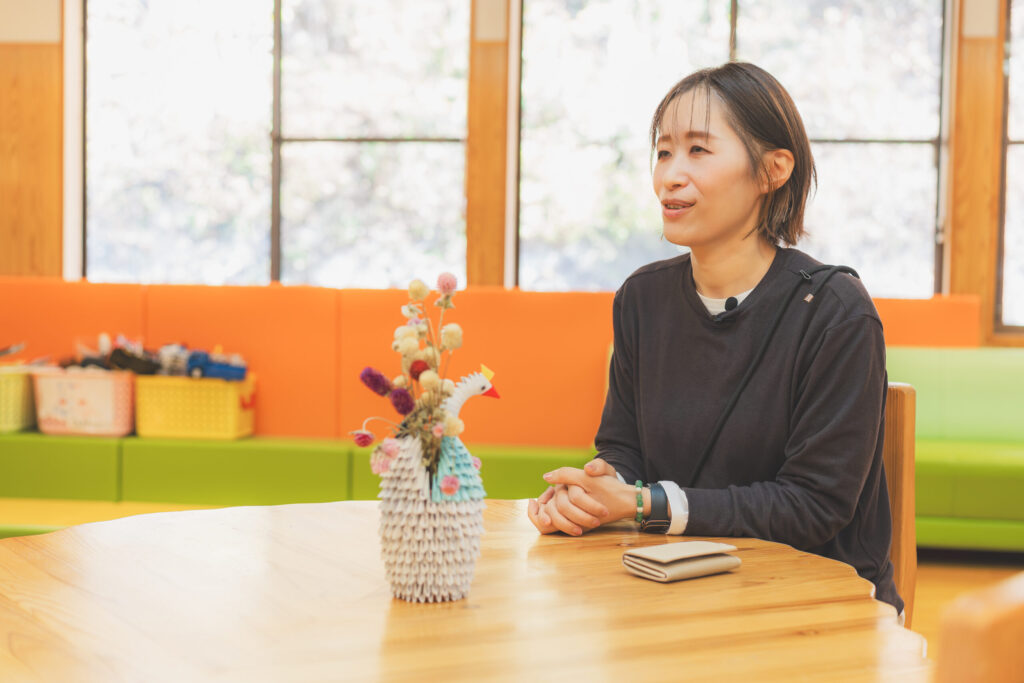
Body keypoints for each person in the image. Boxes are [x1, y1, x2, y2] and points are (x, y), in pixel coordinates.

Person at [526, 62, 903, 614]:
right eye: (663, 152)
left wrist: (644, 503)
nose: (670, 176)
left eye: (698, 150)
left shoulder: (835, 312)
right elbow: (623, 449)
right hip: (672, 589)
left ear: (773, 169)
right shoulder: (642, 299)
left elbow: (814, 505)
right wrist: (595, 492)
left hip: (817, 605)